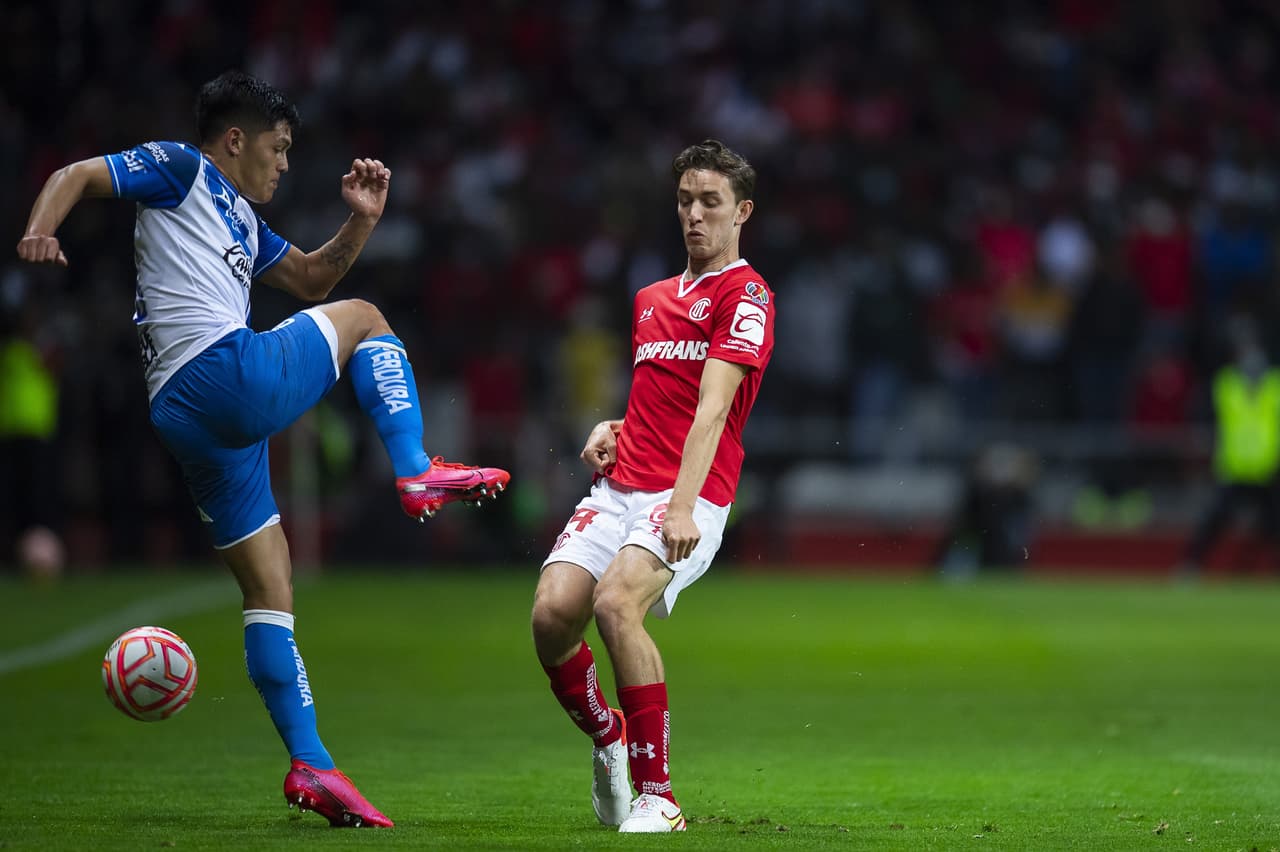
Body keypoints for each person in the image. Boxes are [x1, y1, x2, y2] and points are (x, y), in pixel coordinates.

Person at [15, 70, 510, 829]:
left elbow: (311, 278)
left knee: (270, 585)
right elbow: (76, 173)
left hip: (186, 415)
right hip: (221, 374)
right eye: (277, 149)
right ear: (236, 140)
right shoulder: (183, 167)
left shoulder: (243, 222)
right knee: (369, 319)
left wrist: (362, 222)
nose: (284, 164)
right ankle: (415, 468)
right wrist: (40, 228)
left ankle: (312, 764)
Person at [530, 139, 775, 833]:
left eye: (711, 203)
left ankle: (659, 798)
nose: (694, 215)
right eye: (685, 201)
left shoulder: (747, 295)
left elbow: (713, 407)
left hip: (690, 495)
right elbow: (661, 398)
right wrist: (614, 425)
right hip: (622, 484)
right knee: (551, 617)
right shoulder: (651, 299)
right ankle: (608, 736)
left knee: (615, 605)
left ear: (741, 212)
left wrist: (682, 505)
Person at [1176, 319, 1280, 577]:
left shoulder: (1274, 387)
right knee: (1213, 523)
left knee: (1274, 525)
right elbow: (1205, 417)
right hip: (1234, 468)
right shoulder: (1226, 385)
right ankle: (1190, 567)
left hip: (1268, 470)